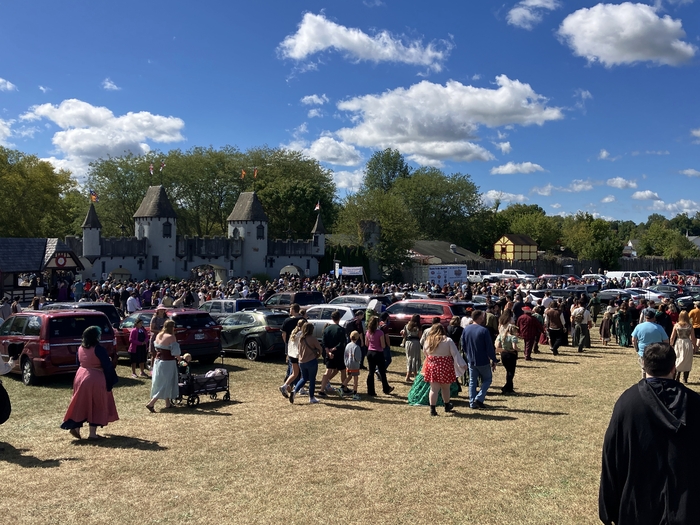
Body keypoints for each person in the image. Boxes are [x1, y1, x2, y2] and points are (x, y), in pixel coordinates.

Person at [599, 342, 700, 525]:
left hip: (638, 505)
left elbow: (612, 457)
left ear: (643, 365)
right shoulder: (695, 403)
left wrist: (609, 508)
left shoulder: (628, 403)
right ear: (673, 367)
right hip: (686, 506)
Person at [61, 326, 119, 440]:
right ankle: (92, 434)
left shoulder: (80, 348)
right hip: (95, 377)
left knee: (80, 402)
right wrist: (111, 380)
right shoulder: (98, 349)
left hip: (80, 375)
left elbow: (78, 362)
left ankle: (76, 427)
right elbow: (106, 365)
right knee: (96, 403)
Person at [422, 324, 466, 416]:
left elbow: (425, 352)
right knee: (446, 388)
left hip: (432, 366)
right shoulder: (448, 340)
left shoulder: (428, 340)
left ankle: (432, 410)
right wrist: (462, 364)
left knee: (434, 389)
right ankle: (447, 406)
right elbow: (455, 353)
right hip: (445, 366)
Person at [461, 310, 498, 409]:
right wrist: (494, 359)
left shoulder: (466, 329)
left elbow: (463, 345)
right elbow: (489, 347)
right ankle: (479, 398)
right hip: (482, 360)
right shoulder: (484, 330)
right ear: (480, 318)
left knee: (472, 381)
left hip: (471, 359)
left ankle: (472, 402)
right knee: (487, 379)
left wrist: (468, 354)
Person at [146, 319, 181, 412]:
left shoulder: (159, 335)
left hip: (158, 361)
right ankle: (151, 403)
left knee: (163, 381)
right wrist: (180, 358)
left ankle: (167, 403)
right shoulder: (171, 337)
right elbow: (175, 352)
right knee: (165, 383)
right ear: (172, 327)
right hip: (167, 362)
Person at [290, 322, 323, 404]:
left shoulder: (300, 339)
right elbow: (320, 349)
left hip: (301, 361)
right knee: (312, 379)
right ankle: (311, 397)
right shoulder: (312, 339)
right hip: (311, 361)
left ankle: (294, 391)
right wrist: (317, 355)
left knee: (304, 378)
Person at [632, 309, 670, 379]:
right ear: (654, 317)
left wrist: (636, 348)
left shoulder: (639, 327)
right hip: (657, 351)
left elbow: (633, 340)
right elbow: (666, 341)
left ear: (645, 317)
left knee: (644, 369)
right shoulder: (659, 327)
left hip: (643, 351)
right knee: (656, 368)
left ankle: (644, 381)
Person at [319, 310, 348, 397]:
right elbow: (342, 343)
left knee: (328, 370)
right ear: (339, 318)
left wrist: (328, 351)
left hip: (329, 354)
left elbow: (324, 342)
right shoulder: (341, 330)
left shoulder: (327, 329)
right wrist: (334, 349)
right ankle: (344, 388)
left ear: (332, 318)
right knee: (343, 370)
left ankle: (321, 390)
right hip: (339, 354)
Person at [365, 316, 394, 397]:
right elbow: (383, 345)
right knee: (382, 372)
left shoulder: (368, 332)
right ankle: (386, 388)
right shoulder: (380, 332)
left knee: (371, 372)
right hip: (378, 353)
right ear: (377, 323)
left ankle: (370, 391)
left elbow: (366, 344)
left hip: (370, 352)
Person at [280, 318, 305, 397]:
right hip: (298, 356)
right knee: (302, 373)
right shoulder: (302, 334)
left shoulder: (293, 332)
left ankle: (284, 386)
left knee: (295, 373)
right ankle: (301, 389)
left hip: (292, 355)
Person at [670, 310, 695, 384]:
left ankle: (677, 376)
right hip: (687, 342)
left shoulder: (676, 325)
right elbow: (693, 338)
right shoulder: (690, 326)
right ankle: (685, 378)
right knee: (687, 359)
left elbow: (672, 337)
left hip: (679, 342)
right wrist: (694, 346)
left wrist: (671, 345)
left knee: (678, 358)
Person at [337, 330, 362, 400]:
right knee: (355, 379)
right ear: (357, 338)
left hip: (348, 364)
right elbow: (358, 357)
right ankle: (355, 394)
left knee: (349, 376)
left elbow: (345, 355)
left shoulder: (347, 345)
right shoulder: (356, 347)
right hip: (354, 365)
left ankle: (342, 387)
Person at [496, 324, 519, 394]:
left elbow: (498, 346)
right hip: (511, 355)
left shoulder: (501, 336)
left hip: (504, 354)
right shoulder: (513, 337)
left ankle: (510, 388)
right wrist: (519, 349)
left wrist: (502, 350)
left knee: (508, 371)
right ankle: (506, 388)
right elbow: (514, 347)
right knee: (511, 372)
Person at [401, 314, 422, 382]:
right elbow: (420, 336)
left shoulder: (407, 325)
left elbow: (404, 335)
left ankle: (408, 375)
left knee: (409, 359)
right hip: (415, 343)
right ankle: (415, 375)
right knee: (415, 359)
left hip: (408, 343)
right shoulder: (418, 326)